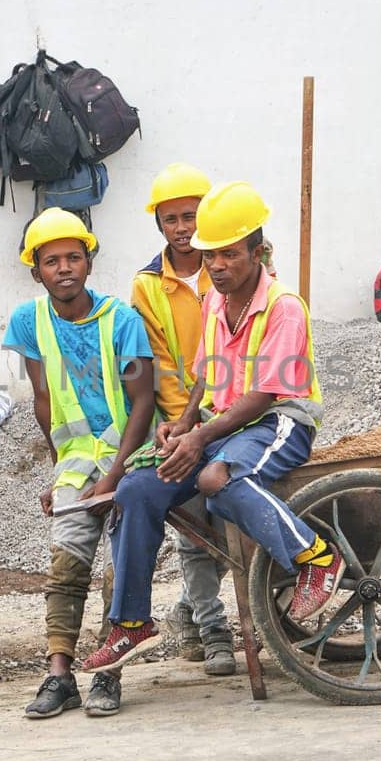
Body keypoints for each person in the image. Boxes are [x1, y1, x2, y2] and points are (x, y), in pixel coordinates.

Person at [80, 182, 340, 676]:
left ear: (257, 252)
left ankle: (316, 556)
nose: (217, 266)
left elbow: (265, 393)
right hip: (227, 427)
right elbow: (206, 374)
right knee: (136, 489)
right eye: (210, 257)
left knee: (216, 481)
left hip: (282, 419)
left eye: (228, 255)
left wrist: (200, 438)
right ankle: (131, 621)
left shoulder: (283, 305)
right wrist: (183, 423)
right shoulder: (216, 303)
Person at [3, 208, 155, 717]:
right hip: (75, 461)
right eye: (52, 261)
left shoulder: (121, 321)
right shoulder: (29, 323)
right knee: (66, 561)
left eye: (74, 257)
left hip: (129, 458)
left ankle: (108, 674)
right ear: (36, 271)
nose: (64, 268)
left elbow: (143, 402)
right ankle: (59, 675)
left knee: (119, 562)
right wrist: (58, 472)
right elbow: (44, 399)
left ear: (89, 263)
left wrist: (113, 475)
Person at [130, 163, 235, 677]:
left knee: (232, 524)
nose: (182, 228)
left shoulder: (234, 262)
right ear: (160, 225)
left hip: (240, 409)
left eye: (190, 215)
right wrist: (178, 423)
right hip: (183, 418)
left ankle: (189, 611)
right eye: (170, 219)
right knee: (195, 531)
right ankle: (215, 630)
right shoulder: (149, 286)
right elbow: (156, 360)